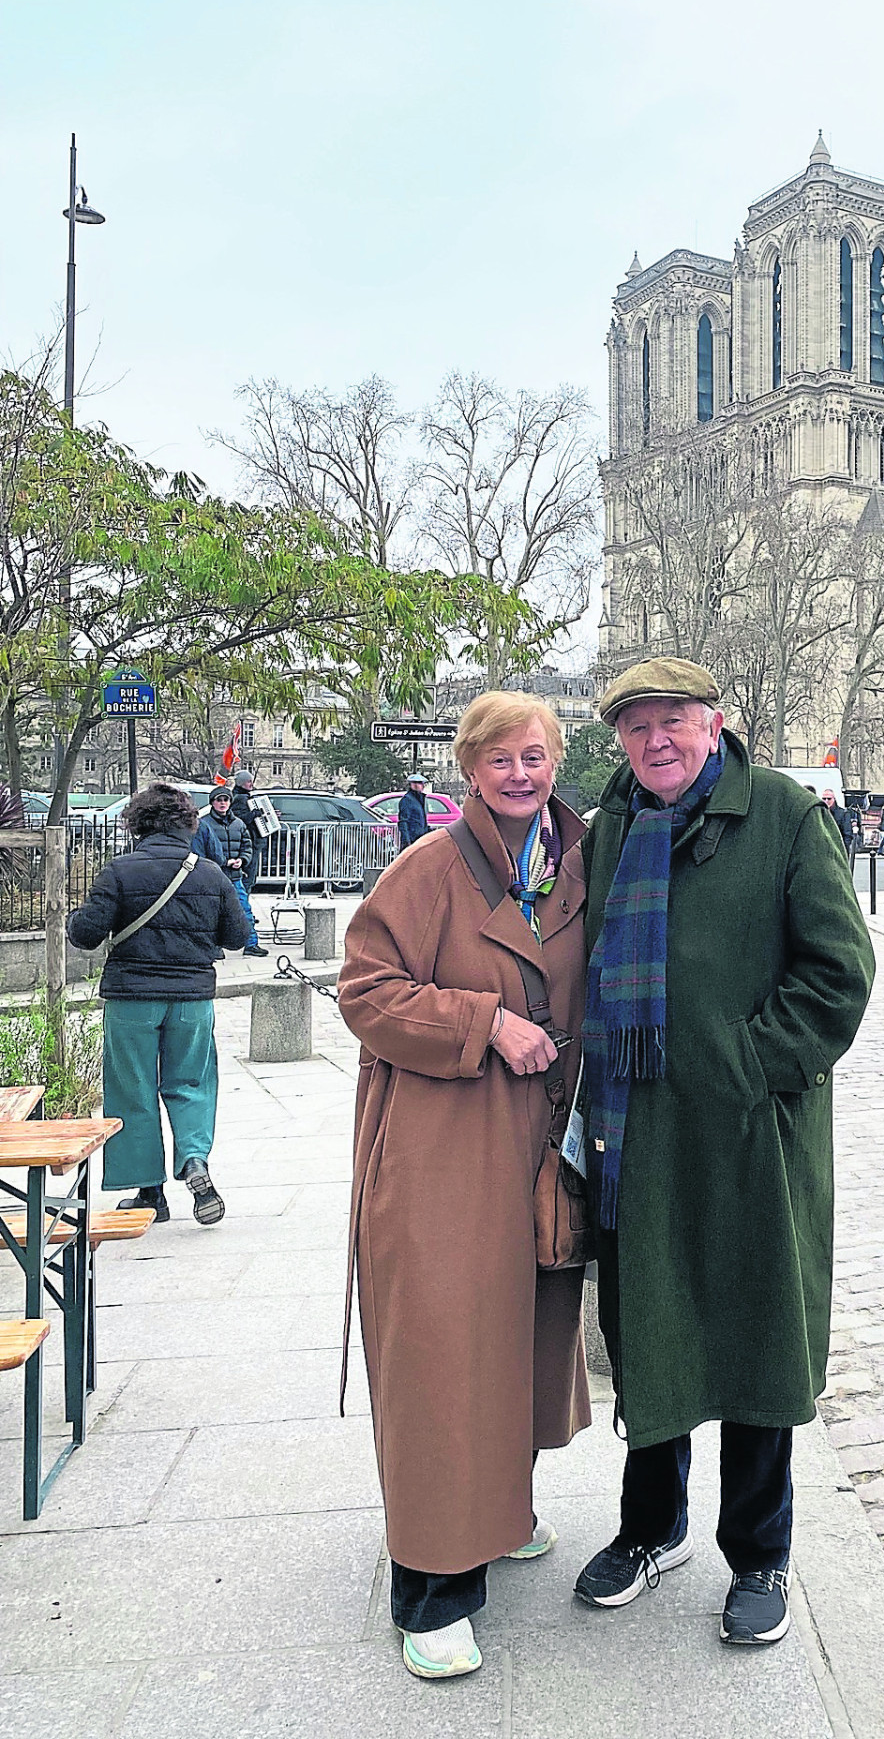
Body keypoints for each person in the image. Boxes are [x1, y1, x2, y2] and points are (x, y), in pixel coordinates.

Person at [575, 657, 874, 1647]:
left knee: (755, 1344)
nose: (655, 741)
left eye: (673, 722)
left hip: (749, 1136)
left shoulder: (782, 813)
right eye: (635, 728)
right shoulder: (611, 825)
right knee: (652, 1331)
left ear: (714, 724)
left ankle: (761, 1555)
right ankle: (650, 1529)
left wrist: (749, 1066)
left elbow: (838, 975)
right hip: (638, 1129)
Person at [339, 695, 591, 1682]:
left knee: (518, 1338)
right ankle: (432, 1581)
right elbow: (365, 990)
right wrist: (482, 1021)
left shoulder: (575, 869)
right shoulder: (429, 869)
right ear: (469, 770)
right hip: (442, 1147)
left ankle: (495, 1509)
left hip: (537, 1142)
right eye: (500, 761)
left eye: (534, 757)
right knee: (442, 1353)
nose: (520, 775)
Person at [66, 784, 245, 1227]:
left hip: (132, 1000)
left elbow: (87, 933)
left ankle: (149, 1193)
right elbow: (237, 937)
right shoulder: (209, 873)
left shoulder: (120, 871)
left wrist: (73, 915)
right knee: (192, 1083)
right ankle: (195, 1162)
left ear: (137, 826)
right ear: (188, 826)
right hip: (192, 999)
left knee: (133, 1091)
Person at [193, 786, 267, 958]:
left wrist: (243, 859)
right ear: (212, 802)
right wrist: (224, 862)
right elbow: (200, 852)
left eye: (225, 800)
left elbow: (247, 845)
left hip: (235, 876)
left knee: (245, 910)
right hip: (213, 877)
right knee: (213, 913)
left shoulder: (239, 824)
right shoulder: (204, 824)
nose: (222, 803)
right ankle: (214, 947)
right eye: (219, 800)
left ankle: (251, 944)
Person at [230, 769, 263, 892]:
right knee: (248, 878)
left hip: (250, 841)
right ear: (241, 783)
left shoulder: (240, 796)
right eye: (249, 781)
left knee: (248, 877)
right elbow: (240, 819)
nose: (251, 784)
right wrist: (255, 814)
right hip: (250, 842)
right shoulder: (240, 798)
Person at [397, 774, 430, 849]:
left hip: (420, 839)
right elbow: (403, 821)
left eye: (421, 783)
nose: (421, 786)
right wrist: (406, 841)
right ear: (412, 785)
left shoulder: (420, 799)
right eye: (418, 783)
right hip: (412, 839)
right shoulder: (407, 800)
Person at [821, 787, 852, 864]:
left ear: (834, 799)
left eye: (829, 799)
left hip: (838, 850)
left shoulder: (843, 813)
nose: (826, 801)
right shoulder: (820, 813)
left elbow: (847, 834)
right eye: (824, 799)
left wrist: (843, 852)